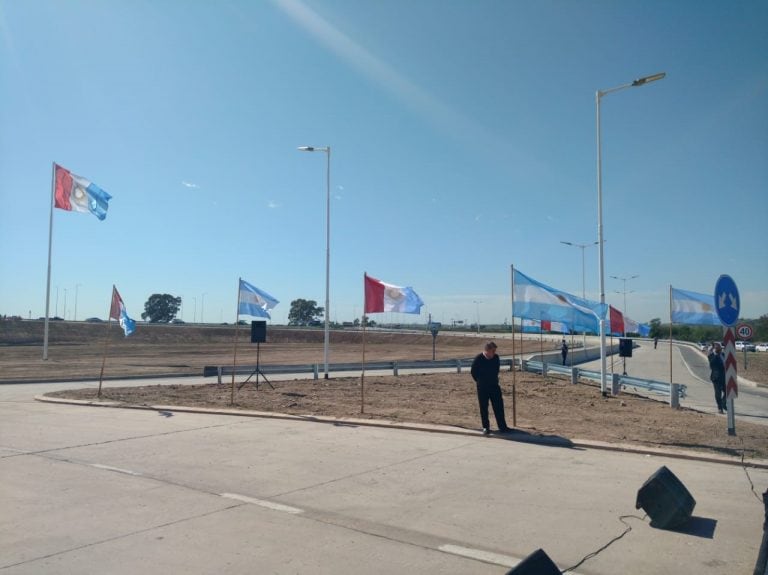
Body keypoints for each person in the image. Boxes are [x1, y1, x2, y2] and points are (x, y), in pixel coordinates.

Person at [470, 341, 511, 435]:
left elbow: (497, 369)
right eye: (493, 350)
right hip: (482, 387)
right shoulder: (479, 358)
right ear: (487, 350)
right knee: (484, 407)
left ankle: (502, 427)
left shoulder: (496, 358)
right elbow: (473, 372)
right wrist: (480, 381)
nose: (495, 352)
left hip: (494, 386)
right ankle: (486, 427)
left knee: (499, 406)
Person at [707, 342, 726, 413]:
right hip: (716, 377)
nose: (719, 349)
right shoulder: (711, 356)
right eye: (717, 348)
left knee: (728, 392)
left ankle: (723, 402)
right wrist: (715, 354)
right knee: (718, 393)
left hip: (724, 377)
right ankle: (720, 408)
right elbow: (712, 364)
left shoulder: (723, 355)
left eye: (719, 348)